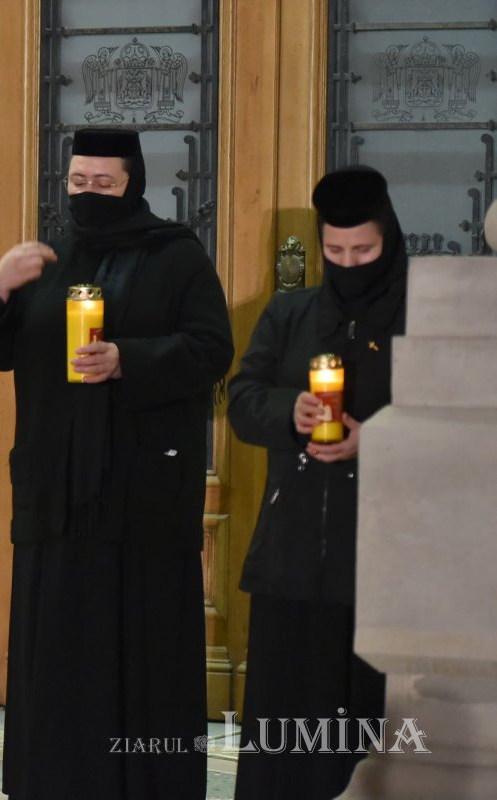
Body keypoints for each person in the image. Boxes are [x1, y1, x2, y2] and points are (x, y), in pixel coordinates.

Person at [0, 128, 234, 799]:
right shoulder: (46, 259)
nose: (87, 196)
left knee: (142, 645)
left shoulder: (177, 255)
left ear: (133, 183)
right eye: (77, 183)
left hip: (142, 491)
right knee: (56, 648)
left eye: (102, 185)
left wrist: (126, 361)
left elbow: (211, 349)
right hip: (57, 491)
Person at [229, 166, 401, 799]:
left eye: (364, 251)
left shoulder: (422, 317)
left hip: (386, 558)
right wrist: (289, 411)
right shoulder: (291, 310)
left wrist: (376, 438)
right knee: (289, 725)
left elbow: (457, 421)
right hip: (295, 552)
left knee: (371, 729)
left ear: (390, 240)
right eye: (335, 251)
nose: (349, 263)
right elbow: (243, 399)